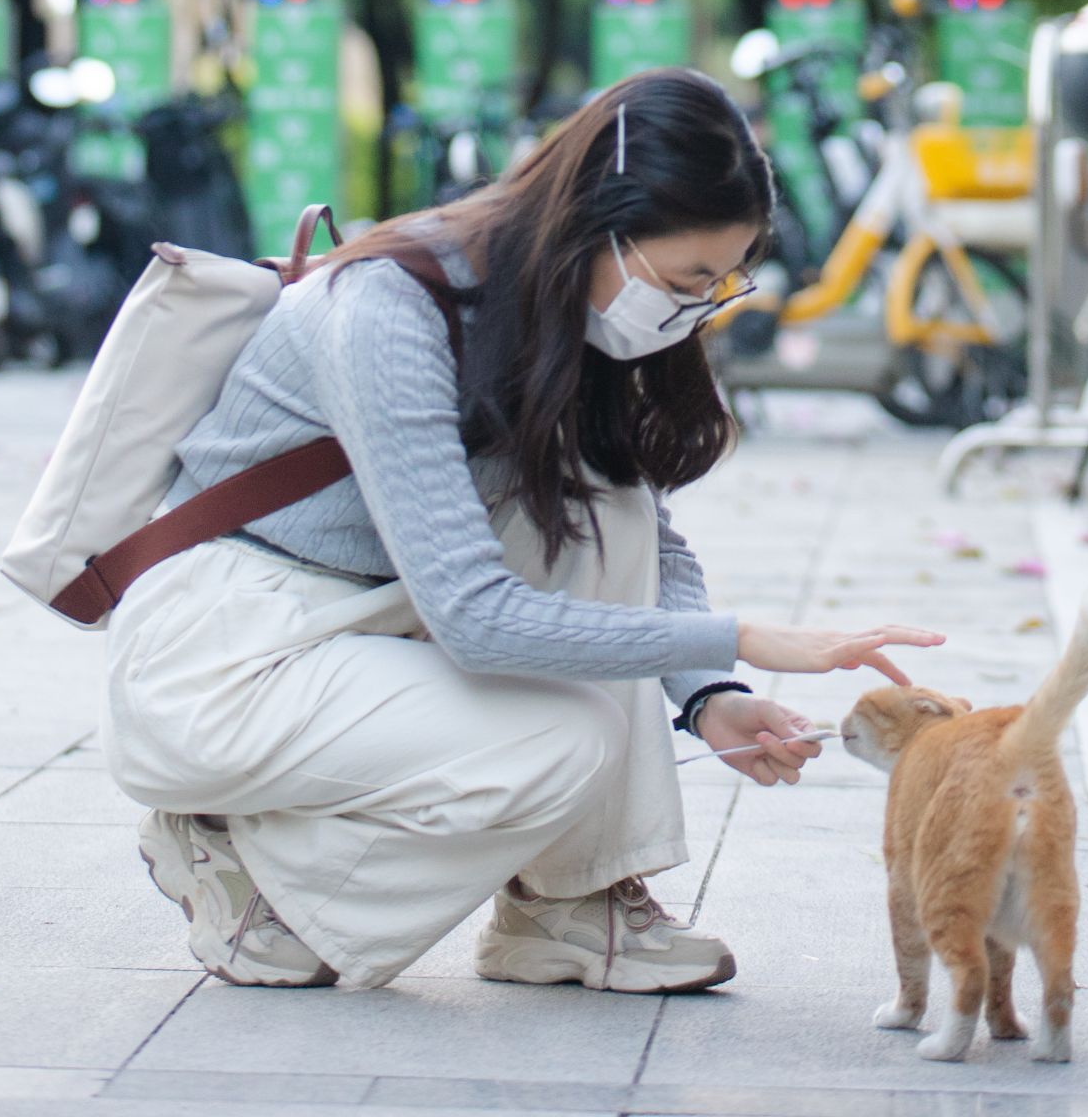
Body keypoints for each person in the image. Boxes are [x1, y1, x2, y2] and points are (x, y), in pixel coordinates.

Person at [103, 66, 942, 994]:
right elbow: (473, 618)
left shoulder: (560, 310)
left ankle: (566, 905)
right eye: (688, 278)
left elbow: (647, 539)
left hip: (364, 620)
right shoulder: (390, 305)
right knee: (560, 741)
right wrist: (740, 636)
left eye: (722, 281)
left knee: (606, 507)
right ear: (599, 225)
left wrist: (711, 693)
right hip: (231, 648)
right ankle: (229, 851)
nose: (698, 306)